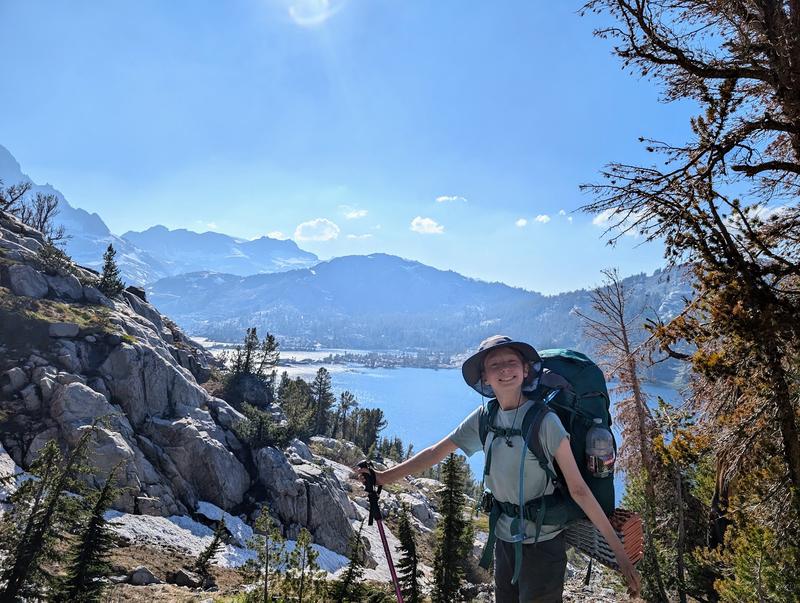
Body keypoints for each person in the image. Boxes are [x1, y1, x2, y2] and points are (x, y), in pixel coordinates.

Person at [356, 335, 641, 602]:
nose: (504, 370)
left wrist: (621, 555)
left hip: (543, 544)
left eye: (511, 362)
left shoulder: (545, 422)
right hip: (504, 540)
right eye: (495, 365)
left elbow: (579, 489)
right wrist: (383, 477)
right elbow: (434, 453)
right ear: (485, 377)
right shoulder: (484, 417)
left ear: (526, 370)